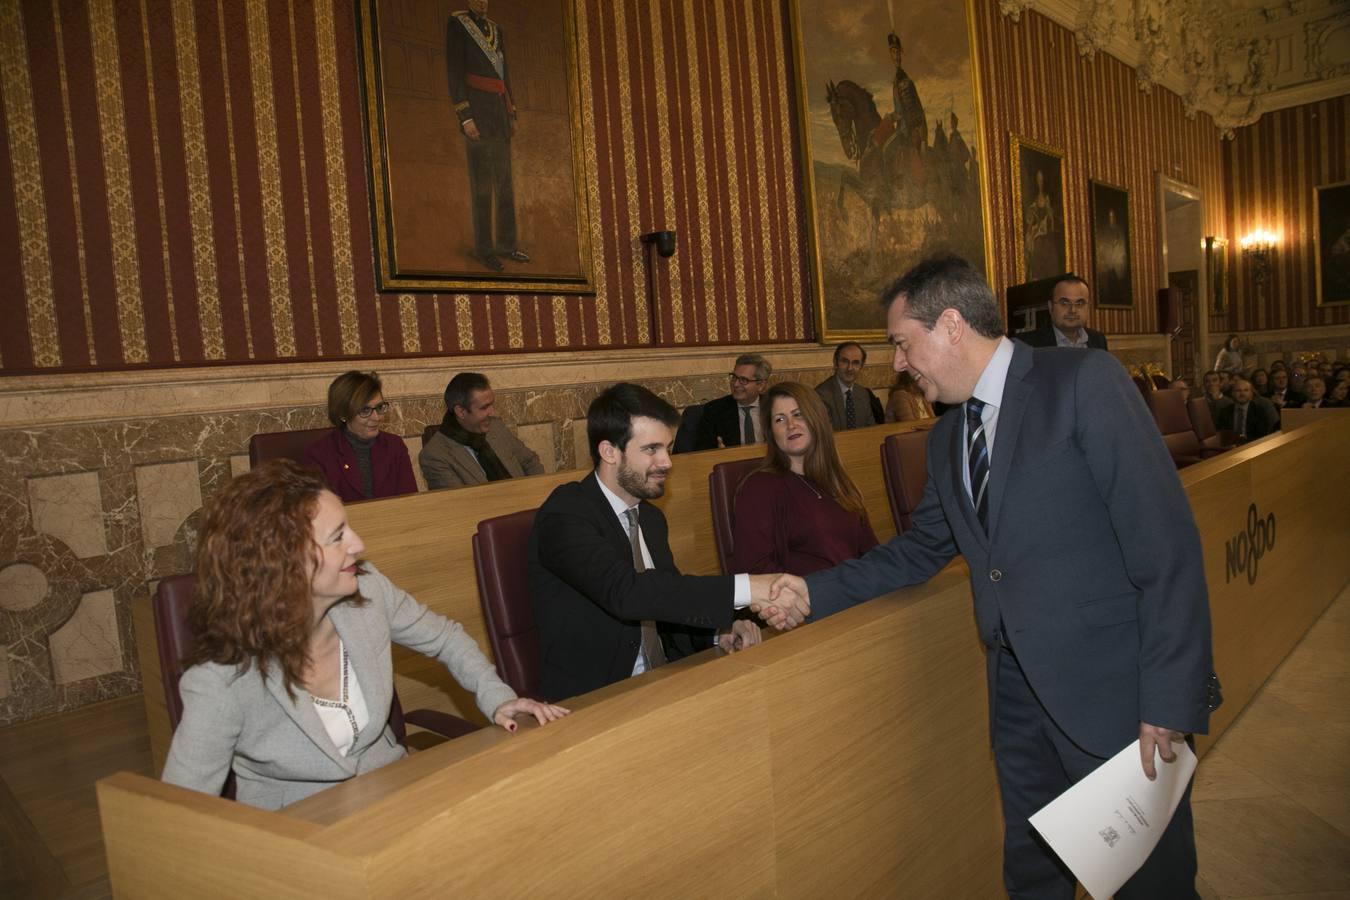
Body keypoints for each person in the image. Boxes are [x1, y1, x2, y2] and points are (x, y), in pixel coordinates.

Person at [761, 256, 1216, 899]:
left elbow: (1166, 548)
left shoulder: (1084, 381)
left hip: (1116, 698)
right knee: (1032, 877)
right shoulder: (948, 438)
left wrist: (1170, 699)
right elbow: (918, 551)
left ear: (950, 325)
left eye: (900, 342)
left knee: (1151, 886)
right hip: (1016, 701)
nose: (896, 363)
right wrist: (812, 591)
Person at [162, 460, 567, 810]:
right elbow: (181, 818)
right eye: (338, 537)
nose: (359, 544)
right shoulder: (221, 677)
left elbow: (445, 637)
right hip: (297, 839)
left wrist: (498, 697)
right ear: (282, 564)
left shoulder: (369, 590)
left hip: (399, 799)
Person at [529, 383, 786, 702]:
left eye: (668, 447)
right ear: (609, 451)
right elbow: (629, 593)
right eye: (651, 449)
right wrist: (747, 587)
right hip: (598, 700)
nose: (667, 462)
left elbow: (667, 599)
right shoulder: (565, 514)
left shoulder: (649, 518)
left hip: (666, 684)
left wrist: (717, 631)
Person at [732, 382, 878, 577]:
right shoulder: (759, 487)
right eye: (779, 419)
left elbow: (870, 551)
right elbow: (755, 570)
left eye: (798, 414)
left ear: (816, 418)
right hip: (809, 602)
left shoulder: (837, 479)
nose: (791, 425)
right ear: (770, 433)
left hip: (859, 595)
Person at [447, 0, 526, 273]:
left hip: (499, 115)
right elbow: (454, 73)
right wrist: (465, 116)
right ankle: (484, 249)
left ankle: (507, 244)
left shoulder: (496, 30)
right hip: (477, 114)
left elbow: (505, 75)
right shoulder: (458, 24)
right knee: (482, 185)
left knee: (504, 182)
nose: (482, 2)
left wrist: (511, 112)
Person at [304, 371, 417, 503]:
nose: (377, 417)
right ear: (343, 414)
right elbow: (318, 512)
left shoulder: (394, 446)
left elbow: (410, 501)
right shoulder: (319, 454)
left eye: (379, 407)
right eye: (365, 410)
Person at [419, 372, 544, 490]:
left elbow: (530, 462)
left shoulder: (496, 427)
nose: (493, 412)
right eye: (484, 407)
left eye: (492, 404)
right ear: (461, 412)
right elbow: (460, 503)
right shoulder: (435, 456)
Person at [694, 353, 772, 449]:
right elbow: (702, 451)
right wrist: (717, 454)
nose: (735, 384)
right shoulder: (714, 411)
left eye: (743, 380)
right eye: (734, 377)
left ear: (760, 385)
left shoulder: (773, 407)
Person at [1014, 274, 1109, 350]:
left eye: (1079, 303)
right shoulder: (1027, 344)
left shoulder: (1098, 340)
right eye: (1064, 303)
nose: (1073, 310)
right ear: (1051, 307)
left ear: (1088, 307)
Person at [815, 342, 884, 430]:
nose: (850, 368)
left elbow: (870, 430)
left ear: (861, 366)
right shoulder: (821, 395)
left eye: (855, 363)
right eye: (844, 361)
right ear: (835, 363)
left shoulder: (863, 393)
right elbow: (827, 436)